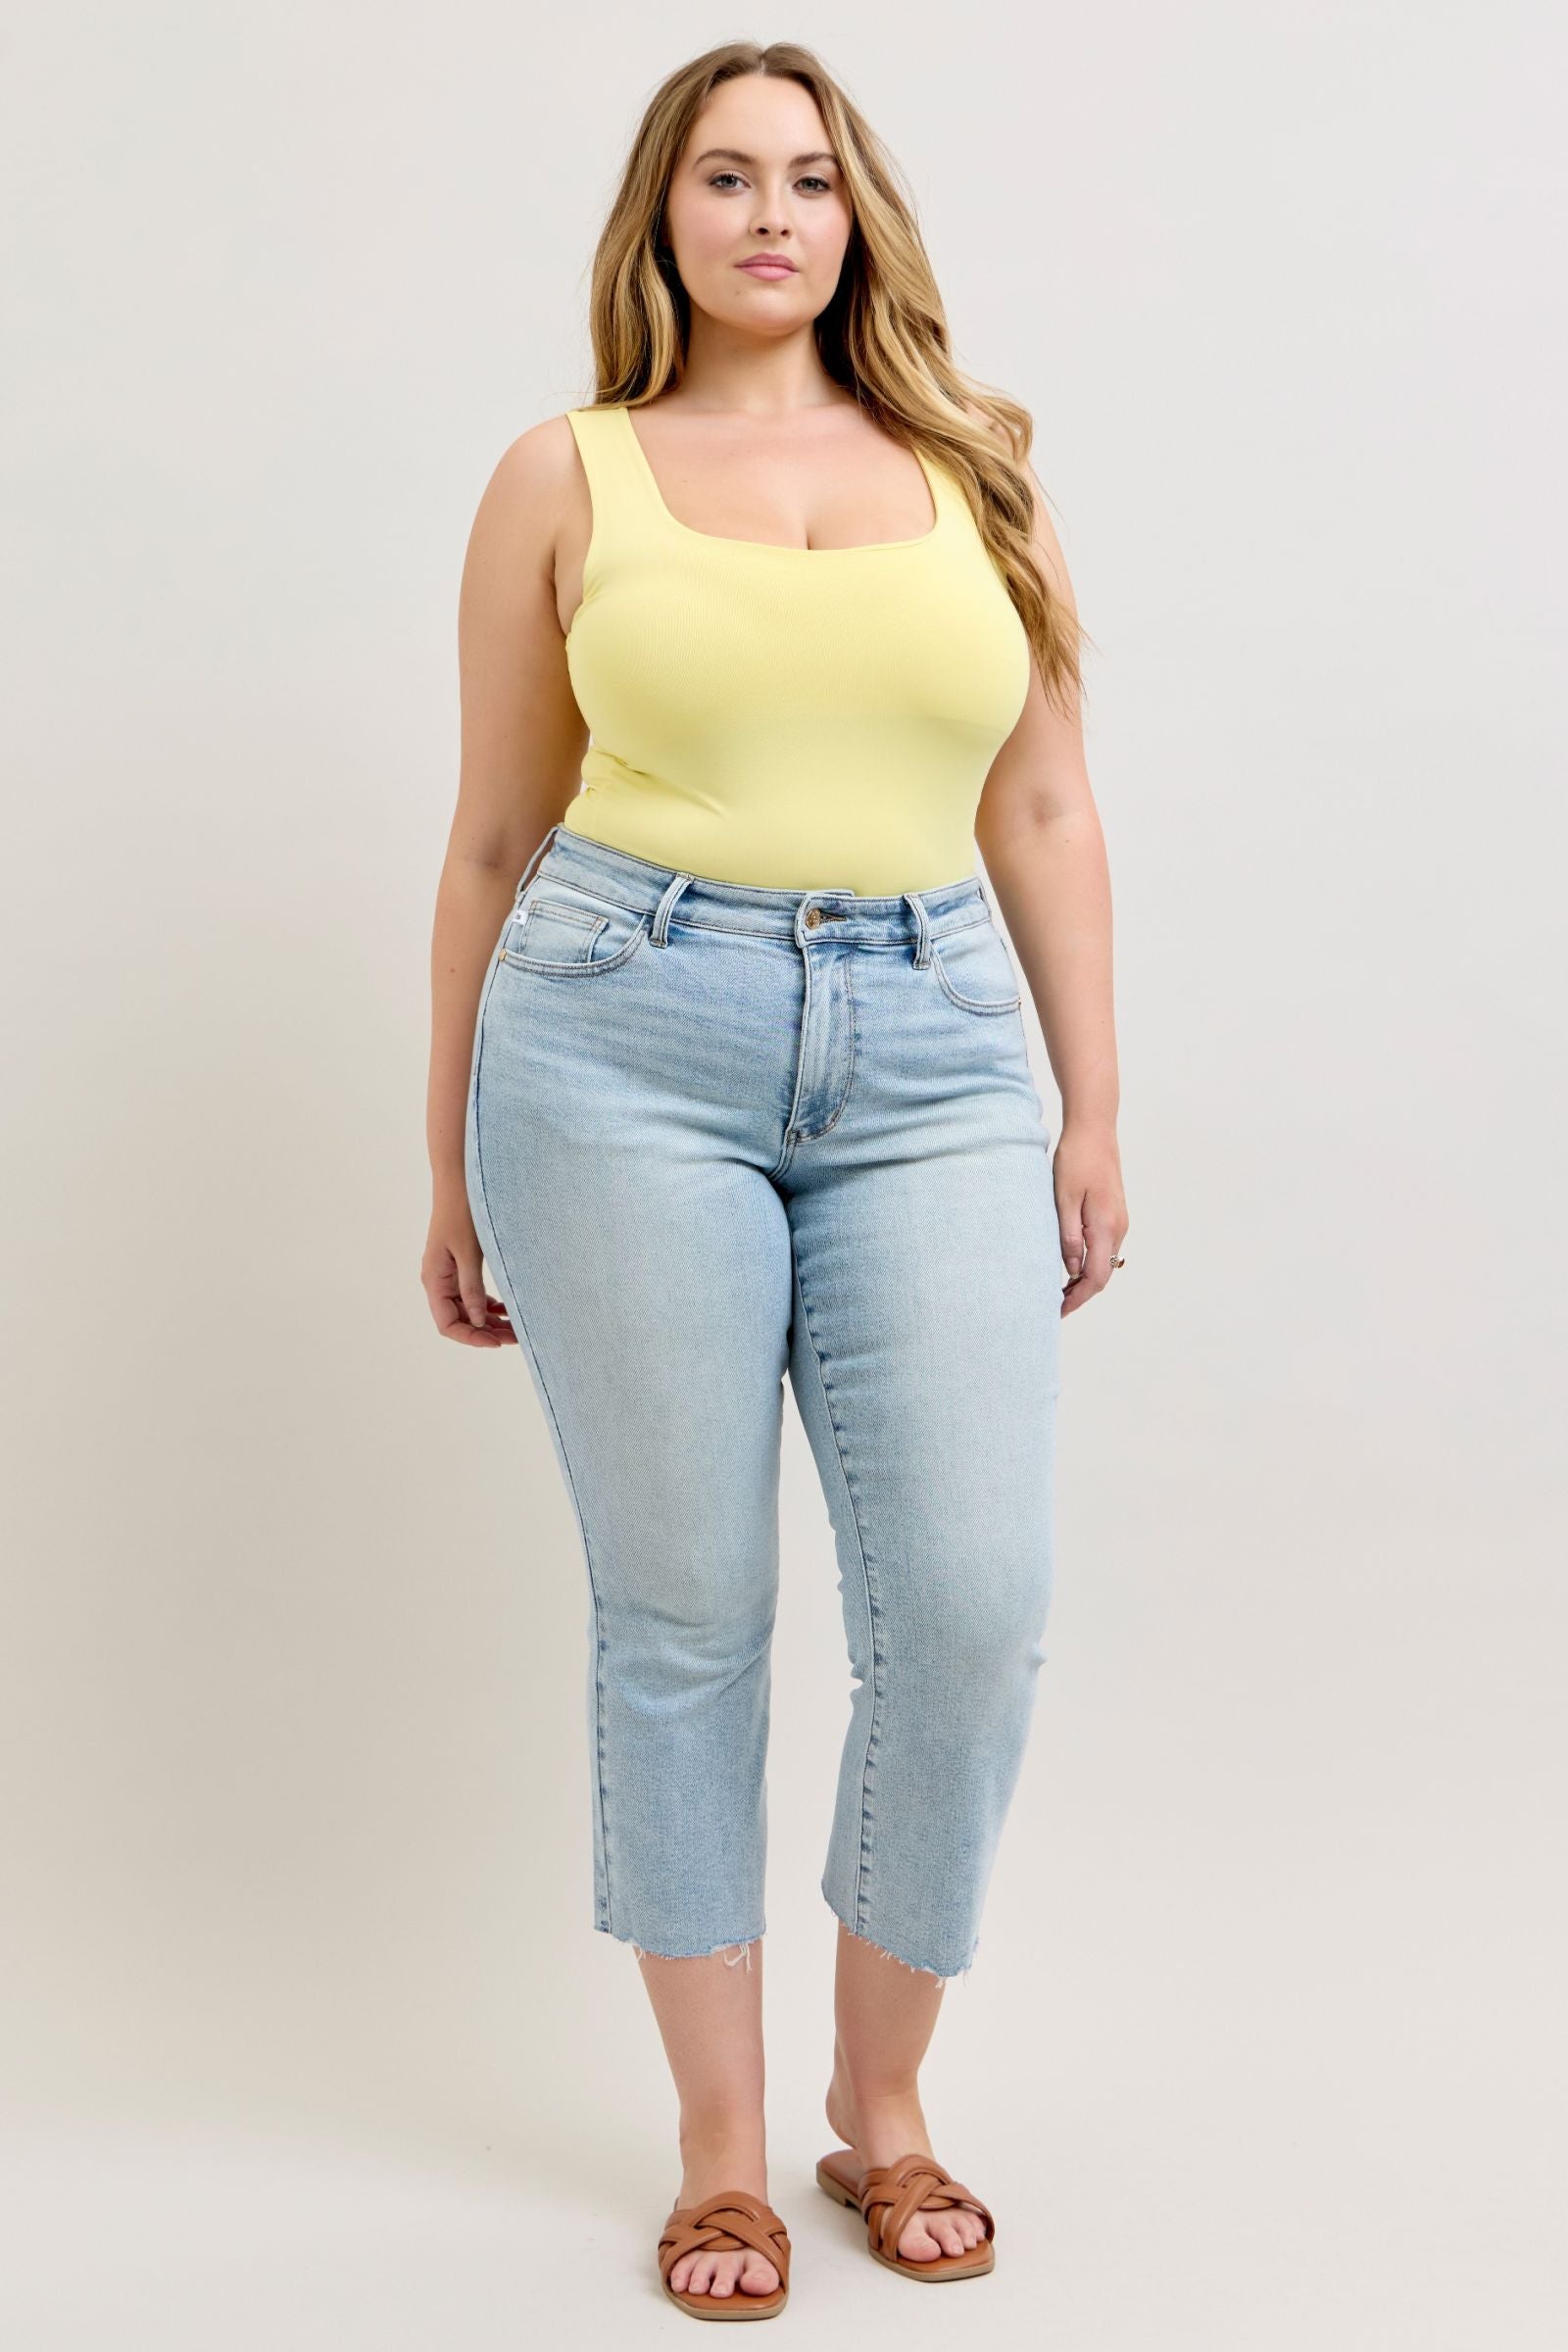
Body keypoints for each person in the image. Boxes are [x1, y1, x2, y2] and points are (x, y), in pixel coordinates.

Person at [422, 38, 1128, 2323]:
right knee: (683, 1613)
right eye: (723, 178)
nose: (769, 217)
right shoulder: (566, 475)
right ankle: (720, 2159)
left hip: (930, 1052)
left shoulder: (973, 468)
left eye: (807, 180)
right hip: (617, 1036)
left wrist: (1088, 1109)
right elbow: (492, 834)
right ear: (661, 215)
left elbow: (1041, 806)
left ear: (855, 218)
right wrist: (444, 1157)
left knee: (972, 1601)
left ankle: (877, 2104)